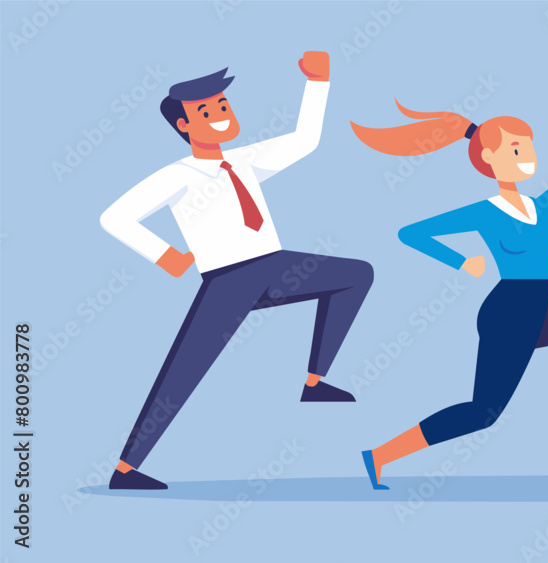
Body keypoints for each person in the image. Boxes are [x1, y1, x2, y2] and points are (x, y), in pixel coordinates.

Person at [351, 78, 548, 489]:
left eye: (530, 146)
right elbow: (412, 233)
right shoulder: (484, 212)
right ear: (488, 157)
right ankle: (380, 456)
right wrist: (462, 261)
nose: (529, 155)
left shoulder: (543, 205)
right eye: (517, 149)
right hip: (510, 316)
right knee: (483, 413)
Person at [100, 52, 373, 490]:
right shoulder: (178, 175)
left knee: (356, 274)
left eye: (223, 106)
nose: (222, 115)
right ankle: (125, 470)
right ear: (184, 125)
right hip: (228, 280)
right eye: (207, 112)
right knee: (183, 371)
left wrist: (318, 83)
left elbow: (305, 140)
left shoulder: (246, 159)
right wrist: (167, 256)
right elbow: (115, 217)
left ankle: (314, 381)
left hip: (277, 266)